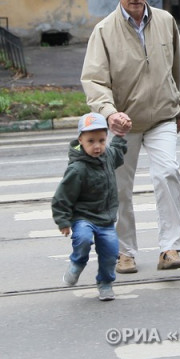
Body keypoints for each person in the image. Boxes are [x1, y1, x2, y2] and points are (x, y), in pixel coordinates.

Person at [81, 0, 180, 274]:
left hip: (162, 117)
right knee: (117, 187)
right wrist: (109, 113)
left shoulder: (166, 21)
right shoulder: (104, 30)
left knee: (167, 173)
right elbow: (94, 80)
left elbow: (178, 67)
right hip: (121, 122)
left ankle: (169, 248)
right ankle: (124, 252)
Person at [51, 113, 127, 300]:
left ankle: (105, 283)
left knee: (110, 252)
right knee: (83, 239)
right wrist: (63, 220)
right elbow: (62, 196)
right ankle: (77, 263)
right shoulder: (77, 168)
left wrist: (120, 136)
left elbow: (117, 154)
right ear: (80, 140)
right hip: (83, 217)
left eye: (101, 140)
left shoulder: (107, 155)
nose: (97, 146)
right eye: (91, 141)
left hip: (105, 218)